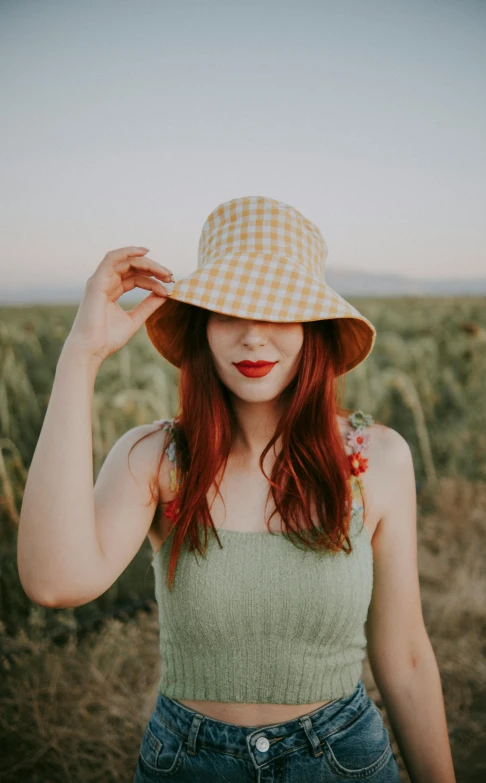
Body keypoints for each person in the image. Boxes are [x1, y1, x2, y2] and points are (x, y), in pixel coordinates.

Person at [18, 196, 456, 782]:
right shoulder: (159, 459)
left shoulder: (374, 460)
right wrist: (82, 356)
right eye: (229, 311)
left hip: (342, 762)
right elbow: (53, 582)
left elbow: (403, 658)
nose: (253, 337)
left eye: (279, 310)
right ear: (202, 325)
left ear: (311, 327)